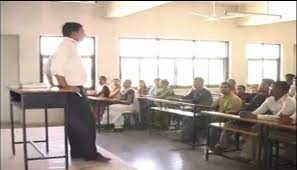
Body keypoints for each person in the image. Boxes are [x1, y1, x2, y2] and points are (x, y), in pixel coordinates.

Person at [50, 22, 110, 162]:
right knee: (87, 123)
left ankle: (77, 152)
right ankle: (90, 154)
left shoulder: (69, 46)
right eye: (82, 31)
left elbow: (51, 68)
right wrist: (66, 87)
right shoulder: (65, 46)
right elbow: (56, 69)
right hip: (74, 90)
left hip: (75, 89)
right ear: (74, 32)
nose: (84, 34)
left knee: (75, 123)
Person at [239, 81, 296, 162]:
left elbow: (279, 118)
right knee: (259, 128)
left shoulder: (290, 102)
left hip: (288, 129)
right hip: (276, 126)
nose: (271, 90)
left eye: (275, 88)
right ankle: (255, 156)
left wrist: (256, 116)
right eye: (271, 87)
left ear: (284, 91)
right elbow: (258, 112)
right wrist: (248, 114)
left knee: (259, 129)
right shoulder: (269, 99)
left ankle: (255, 157)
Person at [209, 82, 243, 151]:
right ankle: (211, 144)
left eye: (225, 87)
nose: (222, 89)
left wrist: (218, 115)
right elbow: (212, 106)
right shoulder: (221, 97)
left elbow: (232, 113)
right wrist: (213, 109)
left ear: (230, 89)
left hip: (231, 119)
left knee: (222, 125)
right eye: (221, 87)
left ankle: (221, 146)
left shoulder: (234, 99)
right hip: (220, 117)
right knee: (209, 120)